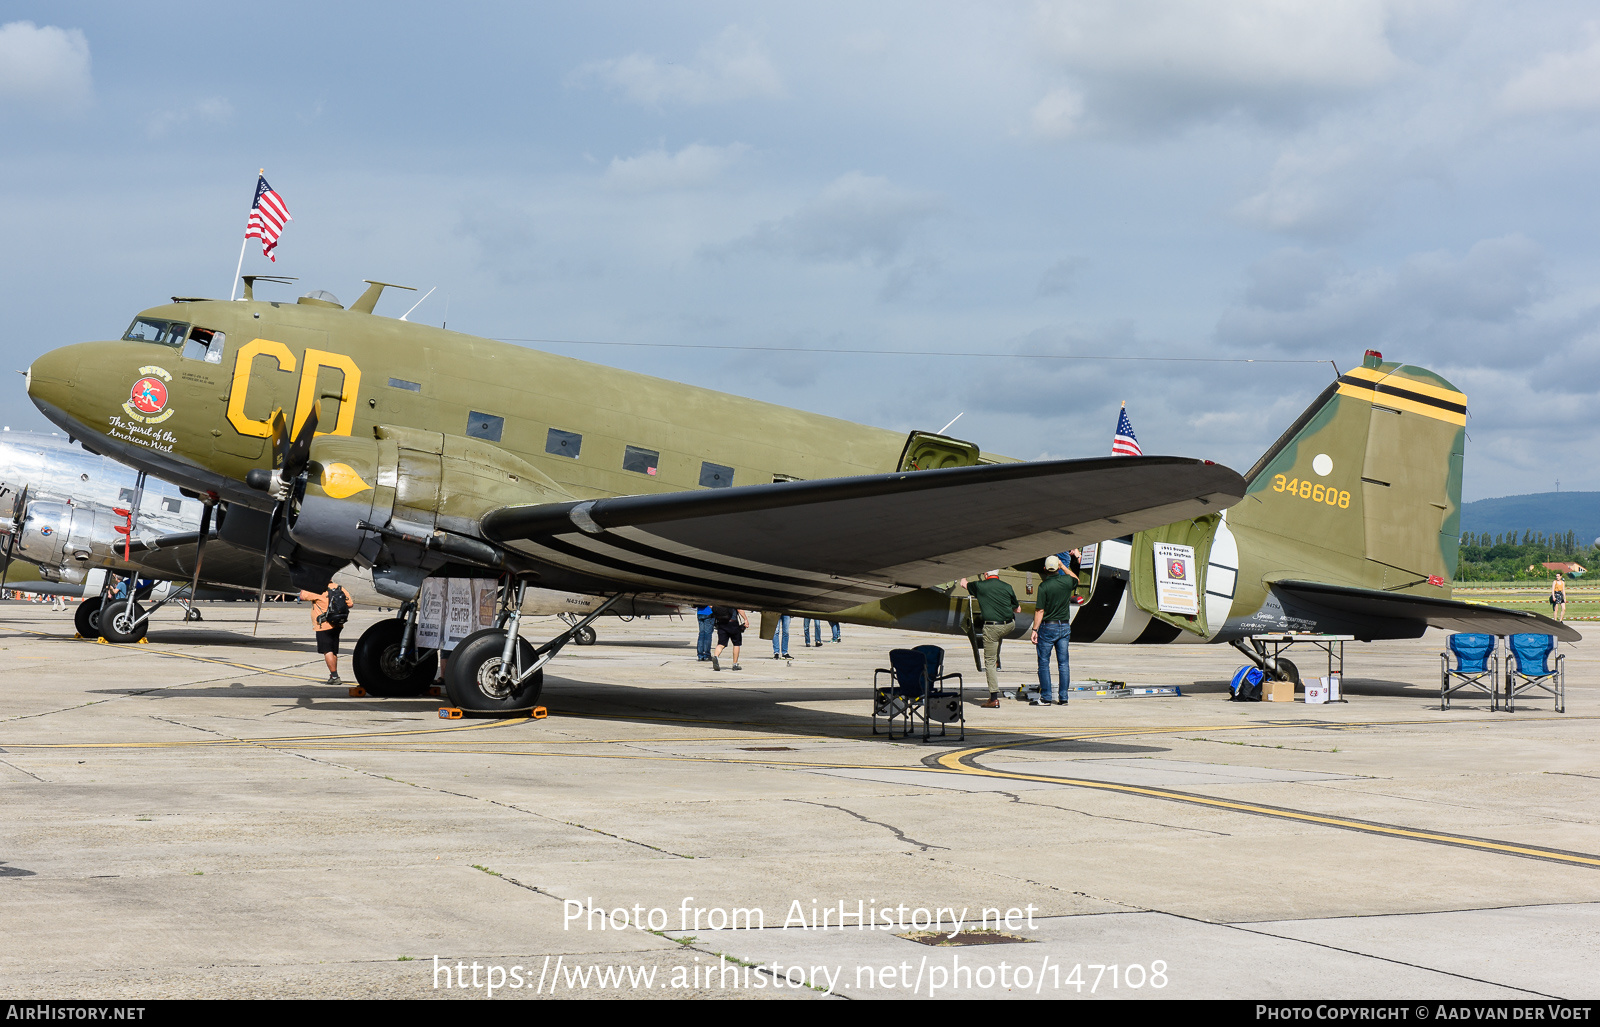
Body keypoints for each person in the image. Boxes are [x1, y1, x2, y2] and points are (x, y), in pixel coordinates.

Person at [960, 571, 1019, 709]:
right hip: (1009, 625)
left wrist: (963, 572)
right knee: (999, 634)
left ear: (986, 574)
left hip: (992, 628)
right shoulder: (1007, 586)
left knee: (989, 663)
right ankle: (996, 654)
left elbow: (963, 583)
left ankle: (993, 699)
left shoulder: (980, 586)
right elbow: (1018, 609)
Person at [1030, 555, 1074, 706]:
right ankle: (1063, 697)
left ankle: (1046, 697)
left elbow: (1040, 611)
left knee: (1043, 663)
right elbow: (1076, 579)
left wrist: (1035, 629)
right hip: (1064, 626)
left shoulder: (1044, 586)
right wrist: (1063, 567)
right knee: (1063, 664)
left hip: (1048, 626)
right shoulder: (1067, 582)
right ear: (1057, 567)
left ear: (1045, 569)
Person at [300, 580, 353, 685]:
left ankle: (334, 676)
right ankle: (333, 674)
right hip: (338, 624)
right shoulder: (339, 588)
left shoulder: (319, 590)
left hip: (323, 625)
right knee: (333, 651)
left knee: (327, 650)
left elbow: (302, 596)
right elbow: (350, 604)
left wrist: (305, 583)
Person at [710, 606, 746, 671]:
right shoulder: (731, 599)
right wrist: (746, 619)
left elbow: (711, 606)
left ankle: (716, 656)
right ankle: (735, 664)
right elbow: (739, 609)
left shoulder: (718, 599)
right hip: (733, 623)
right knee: (736, 644)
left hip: (721, 623)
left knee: (721, 644)